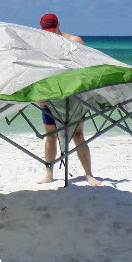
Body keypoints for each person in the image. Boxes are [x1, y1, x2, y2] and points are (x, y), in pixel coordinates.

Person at [37, 13, 100, 186]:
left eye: (53, 29)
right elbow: (40, 72)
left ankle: (89, 174)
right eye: (47, 30)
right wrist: (40, 96)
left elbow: (84, 70)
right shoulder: (42, 44)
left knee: (78, 134)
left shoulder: (75, 41)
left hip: (74, 96)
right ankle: (49, 173)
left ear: (59, 25)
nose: (50, 33)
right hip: (51, 95)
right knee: (51, 136)